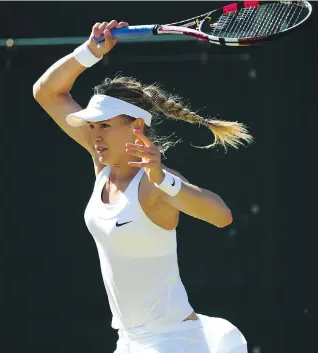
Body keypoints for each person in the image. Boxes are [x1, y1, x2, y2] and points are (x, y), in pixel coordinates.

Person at [33, 20, 253, 353]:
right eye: (92, 126)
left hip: (173, 342)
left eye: (105, 126)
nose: (95, 135)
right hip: (131, 341)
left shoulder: (155, 184)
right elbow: (46, 92)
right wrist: (90, 51)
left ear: (136, 126)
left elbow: (222, 216)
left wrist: (163, 179)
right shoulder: (101, 161)